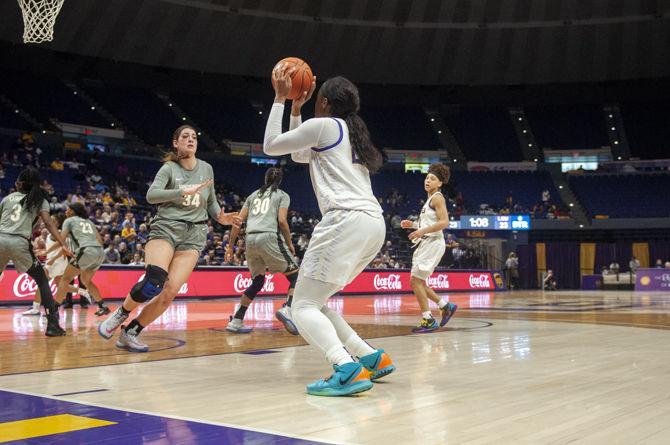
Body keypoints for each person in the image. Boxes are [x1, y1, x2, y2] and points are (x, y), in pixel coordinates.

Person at [263, 69, 394, 396]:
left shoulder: (324, 126)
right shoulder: (351, 134)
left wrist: (280, 98)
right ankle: (369, 358)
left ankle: (346, 368)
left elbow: (271, 146)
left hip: (345, 221)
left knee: (301, 307)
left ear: (322, 101)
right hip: (373, 225)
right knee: (315, 302)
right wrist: (296, 111)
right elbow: (297, 154)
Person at [98, 126, 237, 352]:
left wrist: (222, 217)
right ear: (176, 143)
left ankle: (130, 332)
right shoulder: (169, 169)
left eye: (194, 137)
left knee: (169, 292)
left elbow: (210, 202)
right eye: (185, 137)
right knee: (155, 279)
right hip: (166, 227)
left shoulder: (207, 169)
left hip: (194, 234)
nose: (191, 140)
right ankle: (120, 314)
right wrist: (182, 192)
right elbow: (151, 195)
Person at [224, 167, 300, 335]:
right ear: (280, 181)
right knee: (296, 277)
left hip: (250, 240)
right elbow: (281, 221)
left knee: (258, 282)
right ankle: (288, 309)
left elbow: (237, 221)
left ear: (265, 179)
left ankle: (236, 320)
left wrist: (230, 246)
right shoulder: (282, 195)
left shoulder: (253, 195)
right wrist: (289, 243)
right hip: (269, 237)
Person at [0, 168, 71, 335]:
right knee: (42, 280)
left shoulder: (8, 198)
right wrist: (63, 244)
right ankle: (52, 324)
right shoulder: (39, 200)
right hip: (19, 242)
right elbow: (48, 223)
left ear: (19, 184)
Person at [400, 163, 457, 333]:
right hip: (426, 243)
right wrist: (413, 225)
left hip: (432, 243)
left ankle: (428, 319)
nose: (428, 181)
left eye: (432, 179)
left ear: (439, 183)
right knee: (418, 281)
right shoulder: (429, 200)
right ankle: (445, 306)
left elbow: (444, 222)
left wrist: (421, 230)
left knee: (415, 281)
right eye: (427, 178)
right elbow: (430, 223)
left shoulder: (438, 197)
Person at [47, 202, 111, 317]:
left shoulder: (69, 221)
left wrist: (46, 252)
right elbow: (100, 241)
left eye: (68, 209)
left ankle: (54, 310)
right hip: (100, 253)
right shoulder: (89, 222)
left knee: (64, 280)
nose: (66, 211)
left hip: (86, 251)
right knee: (86, 281)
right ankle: (103, 306)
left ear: (72, 211)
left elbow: (61, 239)